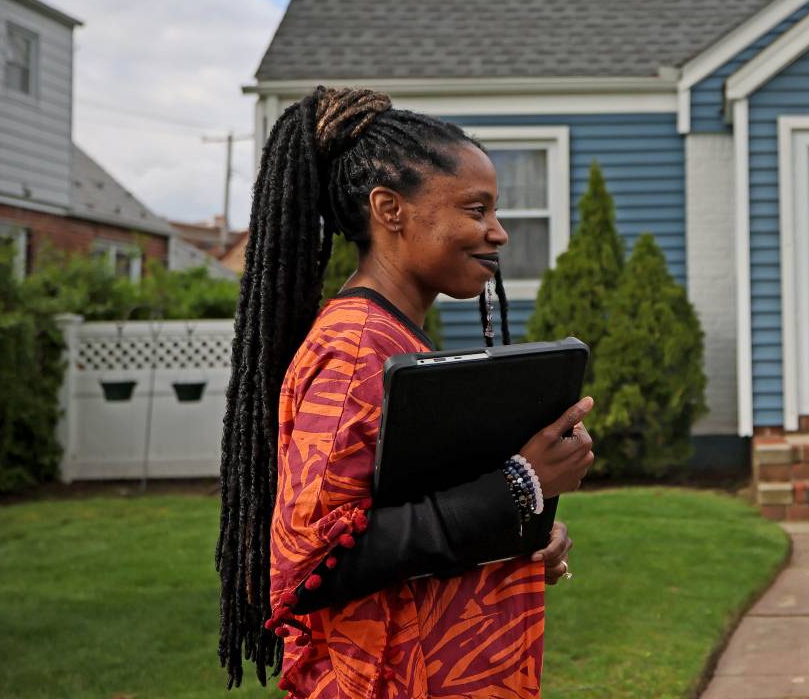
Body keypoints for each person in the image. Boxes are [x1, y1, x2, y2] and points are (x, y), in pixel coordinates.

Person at [216, 87, 596, 698]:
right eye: (476, 210)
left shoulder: (395, 341)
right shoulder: (354, 350)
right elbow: (312, 563)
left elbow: (416, 509)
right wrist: (517, 486)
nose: (498, 232)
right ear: (389, 209)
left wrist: (520, 530)